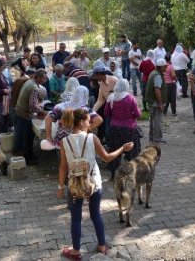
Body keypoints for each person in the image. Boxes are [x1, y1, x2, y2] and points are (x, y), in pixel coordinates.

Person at [57, 108, 134, 260]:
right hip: (94, 182)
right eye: (88, 120)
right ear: (81, 122)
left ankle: (75, 252)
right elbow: (107, 158)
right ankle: (102, 245)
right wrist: (123, 149)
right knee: (96, 215)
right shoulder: (92, 138)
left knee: (76, 218)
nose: (90, 123)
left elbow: (63, 166)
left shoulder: (64, 141)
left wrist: (60, 186)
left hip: (74, 184)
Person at [104, 79, 141, 179]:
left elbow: (106, 113)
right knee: (132, 152)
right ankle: (133, 173)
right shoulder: (130, 98)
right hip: (129, 129)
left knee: (115, 152)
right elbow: (137, 114)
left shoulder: (111, 97)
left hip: (114, 129)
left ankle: (114, 174)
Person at [14, 69, 48, 165]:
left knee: (22, 135)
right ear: (39, 78)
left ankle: (24, 153)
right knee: (27, 137)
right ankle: (28, 157)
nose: (45, 81)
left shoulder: (29, 81)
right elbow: (33, 106)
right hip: (24, 113)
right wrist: (43, 112)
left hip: (20, 110)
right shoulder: (34, 88)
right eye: (44, 78)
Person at [92, 65, 118, 143]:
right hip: (109, 110)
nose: (94, 77)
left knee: (117, 130)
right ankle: (110, 146)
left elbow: (124, 95)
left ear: (99, 74)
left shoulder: (114, 80)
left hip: (118, 110)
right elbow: (100, 100)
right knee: (108, 131)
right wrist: (92, 112)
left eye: (95, 75)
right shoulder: (101, 84)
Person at [145, 59, 168, 144]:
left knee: (153, 120)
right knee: (158, 121)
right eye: (165, 66)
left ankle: (152, 137)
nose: (166, 67)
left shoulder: (153, 72)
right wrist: (160, 103)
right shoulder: (158, 75)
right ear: (161, 67)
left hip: (151, 101)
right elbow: (157, 90)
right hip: (155, 102)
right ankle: (157, 138)